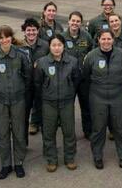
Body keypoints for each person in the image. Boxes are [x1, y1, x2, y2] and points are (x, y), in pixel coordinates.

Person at [0, 25, 32, 179]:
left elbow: (27, 76)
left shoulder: (21, 54)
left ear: (12, 37)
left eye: (7, 37)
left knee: (19, 133)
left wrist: (20, 91)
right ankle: (6, 164)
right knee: (3, 133)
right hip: (0, 101)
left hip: (18, 99)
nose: (4, 40)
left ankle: (18, 162)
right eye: (1, 37)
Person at [82, 30, 122, 169]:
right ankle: (97, 156)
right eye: (103, 39)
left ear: (113, 40)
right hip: (98, 96)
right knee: (98, 128)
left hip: (118, 95)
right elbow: (86, 76)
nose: (106, 41)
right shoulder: (91, 56)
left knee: (120, 128)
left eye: (108, 39)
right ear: (98, 40)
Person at [34, 35, 81, 172]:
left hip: (66, 102)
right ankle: (51, 159)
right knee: (48, 133)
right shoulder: (42, 62)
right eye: (54, 45)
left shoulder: (72, 61)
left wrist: (70, 92)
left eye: (59, 45)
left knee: (69, 132)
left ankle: (70, 158)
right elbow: (37, 83)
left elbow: (77, 79)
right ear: (49, 47)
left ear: (64, 46)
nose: (56, 48)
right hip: (48, 103)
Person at [61, 11, 94, 139]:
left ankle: (88, 131)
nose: (75, 23)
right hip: (68, 78)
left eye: (78, 21)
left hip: (84, 78)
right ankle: (68, 133)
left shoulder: (86, 36)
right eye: (73, 20)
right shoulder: (62, 37)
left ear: (81, 23)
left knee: (86, 106)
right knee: (68, 108)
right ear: (69, 21)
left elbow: (92, 53)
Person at [20, 18, 49, 136]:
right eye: (28, 30)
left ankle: (36, 123)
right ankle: (24, 126)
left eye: (33, 30)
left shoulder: (45, 45)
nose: (31, 33)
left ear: (38, 31)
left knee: (39, 103)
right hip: (25, 82)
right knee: (25, 105)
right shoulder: (19, 46)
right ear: (24, 31)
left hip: (40, 81)